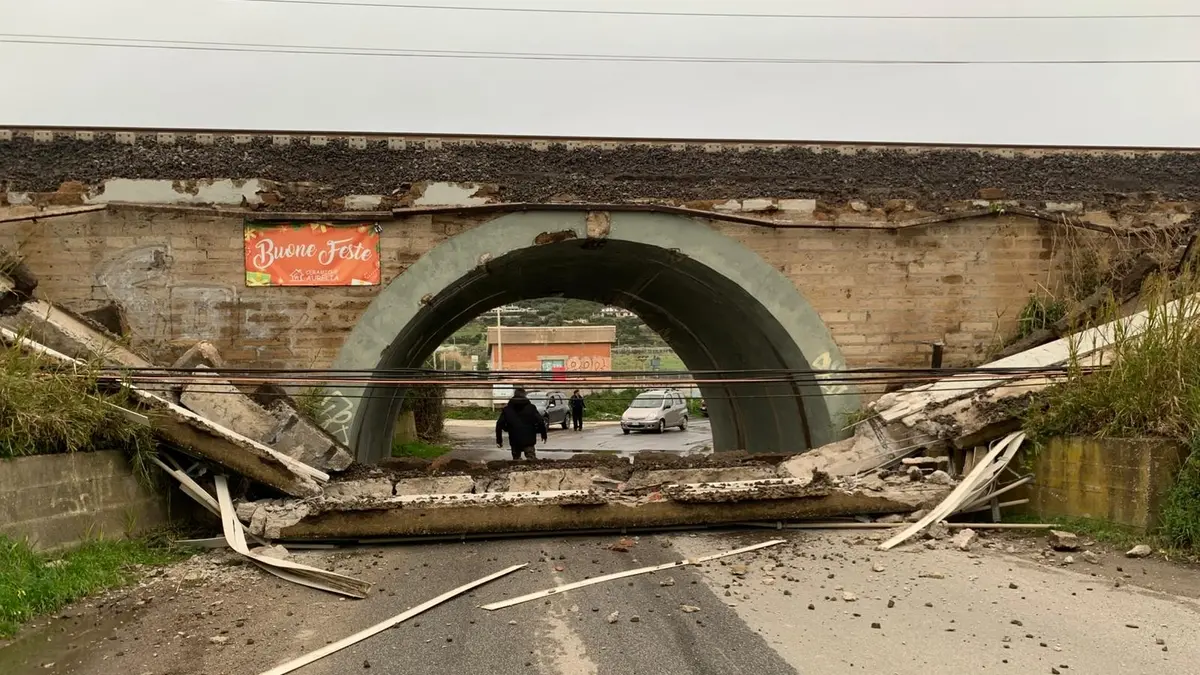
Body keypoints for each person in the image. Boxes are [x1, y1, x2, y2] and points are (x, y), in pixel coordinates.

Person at [496, 388, 547, 460]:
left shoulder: (507, 409)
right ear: (525, 396)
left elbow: (499, 424)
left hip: (514, 439)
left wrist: (499, 440)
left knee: (516, 461)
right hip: (529, 439)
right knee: (531, 461)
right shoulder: (531, 408)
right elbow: (540, 421)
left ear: (514, 395)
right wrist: (543, 434)